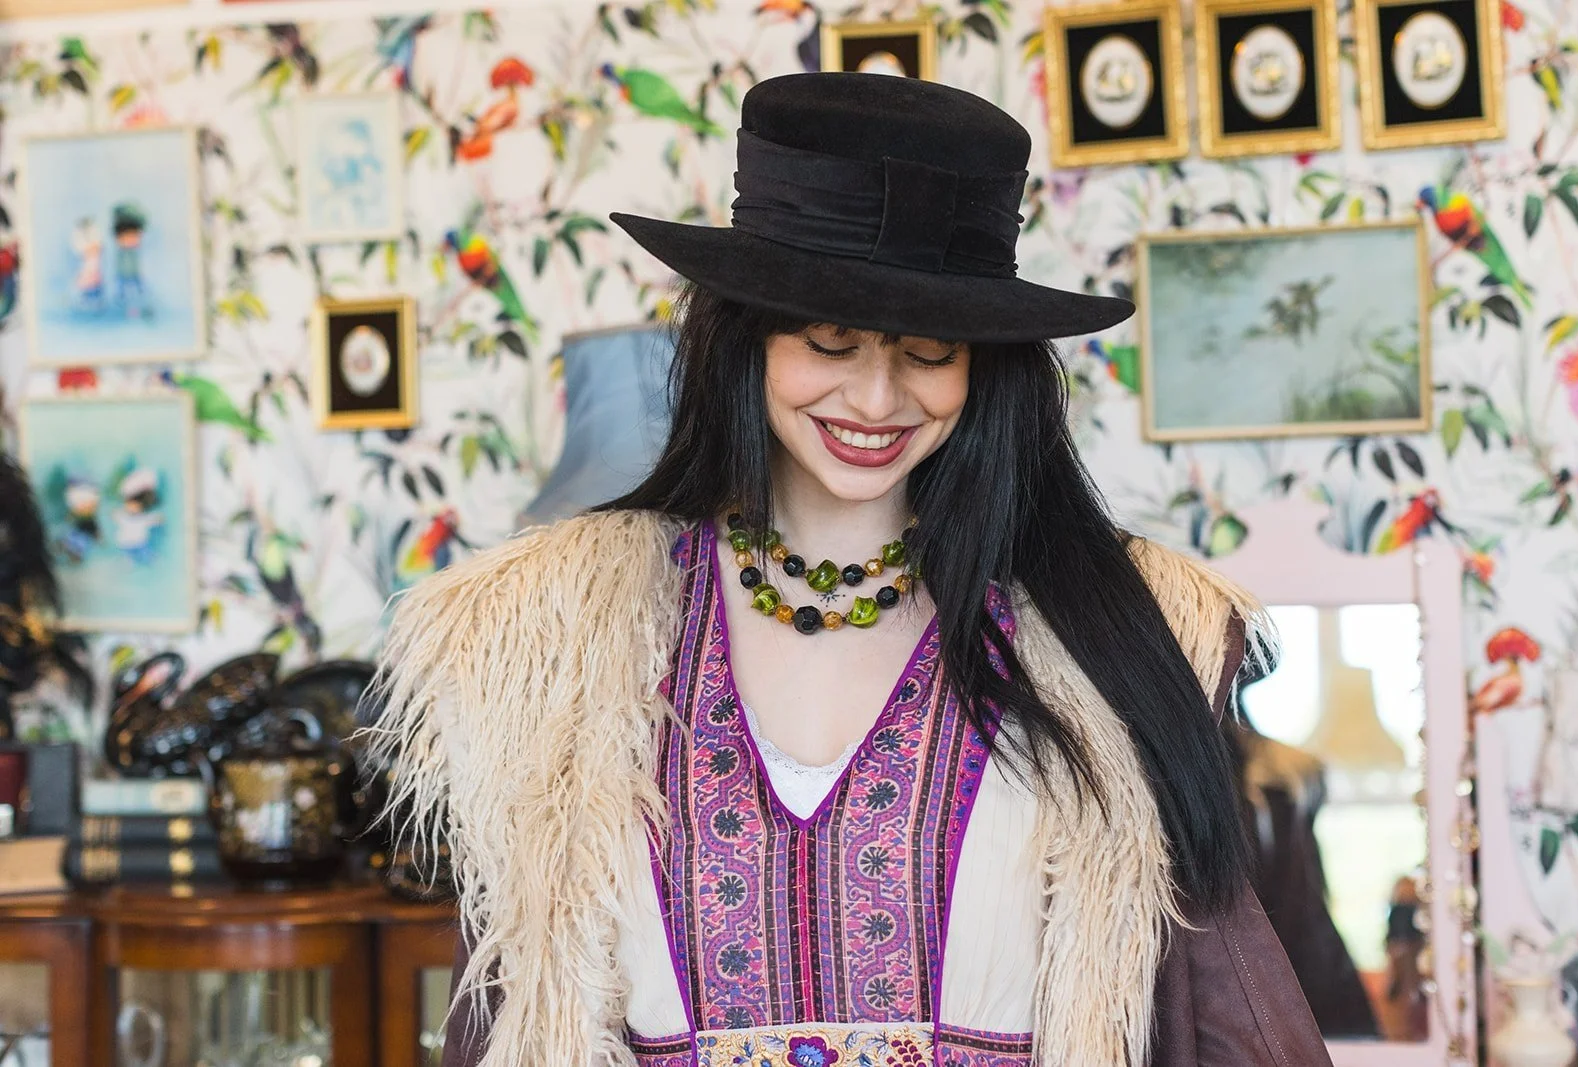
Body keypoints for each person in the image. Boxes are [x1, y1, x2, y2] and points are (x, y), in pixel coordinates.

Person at [367, 72, 1329, 1067]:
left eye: (929, 352)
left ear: (983, 366)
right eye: (830, 341)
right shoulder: (556, 641)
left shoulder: (1103, 635)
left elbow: (1224, 1007)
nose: (876, 398)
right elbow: (518, 1012)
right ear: (745, 338)